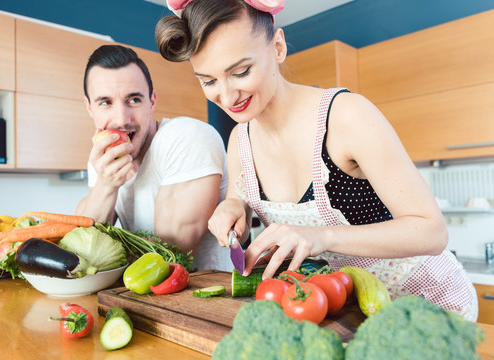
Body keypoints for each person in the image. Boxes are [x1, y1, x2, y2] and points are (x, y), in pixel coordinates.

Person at [155, 0, 478, 320]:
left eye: (240, 72)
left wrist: (321, 237)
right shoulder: (241, 138)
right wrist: (232, 209)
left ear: (278, 47)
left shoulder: (346, 116)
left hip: (427, 304)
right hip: (348, 314)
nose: (226, 97)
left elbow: (432, 233)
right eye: (208, 81)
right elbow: (238, 200)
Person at [76, 44, 232, 271]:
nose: (121, 119)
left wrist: (98, 256)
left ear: (152, 101)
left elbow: (171, 254)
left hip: (209, 297)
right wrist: (106, 185)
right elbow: (82, 245)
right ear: (90, 108)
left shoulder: (187, 137)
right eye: (105, 102)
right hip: (138, 297)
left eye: (133, 100)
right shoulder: (103, 157)